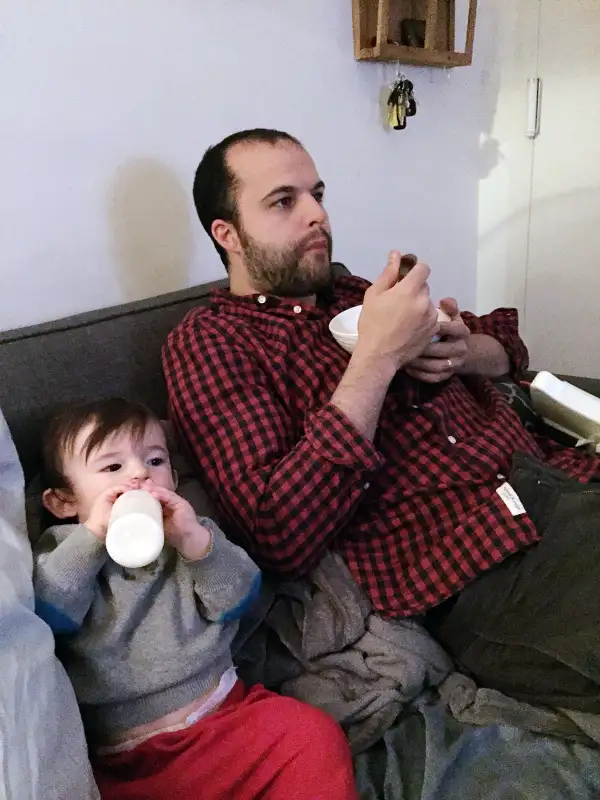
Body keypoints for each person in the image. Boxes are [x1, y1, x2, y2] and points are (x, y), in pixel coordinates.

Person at [163, 128, 600, 714]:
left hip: (555, 475)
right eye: (284, 201)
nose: (317, 214)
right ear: (228, 233)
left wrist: (456, 348)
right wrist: (378, 356)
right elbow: (276, 533)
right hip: (485, 558)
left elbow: (507, 344)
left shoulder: (354, 291)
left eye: (317, 193)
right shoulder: (211, 342)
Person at [33, 398, 358, 800]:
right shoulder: (65, 551)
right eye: (112, 467)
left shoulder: (190, 533)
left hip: (225, 722)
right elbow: (48, 612)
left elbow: (239, 599)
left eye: (155, 461)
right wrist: (94, 536)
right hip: (128, 760)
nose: (139, 474)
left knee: (312, 736)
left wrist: (196, 544)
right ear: (63, 502)